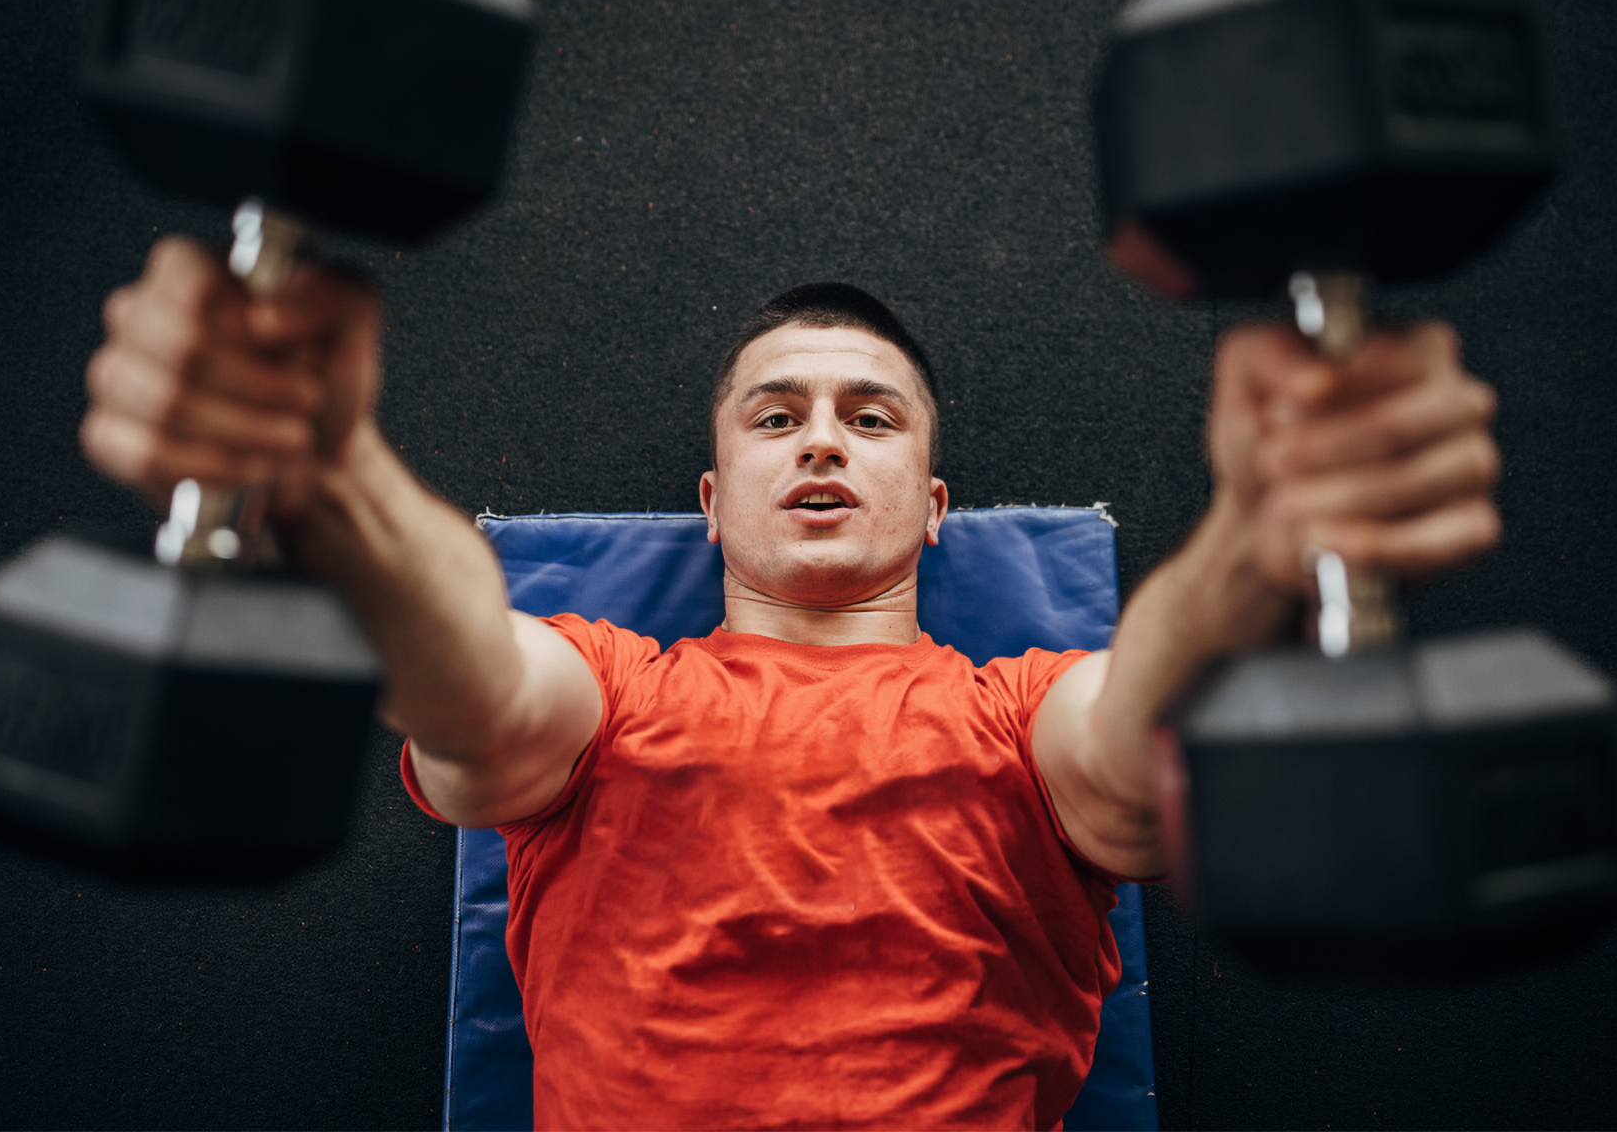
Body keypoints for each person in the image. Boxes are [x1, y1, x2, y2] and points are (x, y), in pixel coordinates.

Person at [81, 244, 1499, 1129]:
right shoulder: (612, 686)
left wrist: (1258, 545)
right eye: (779, 417)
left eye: (869, 418)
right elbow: (484, 708)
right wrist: (331, 480)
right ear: (713, 497)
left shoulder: (1022, 709)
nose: (823, 440)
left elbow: (1134, 757)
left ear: (934, 504)